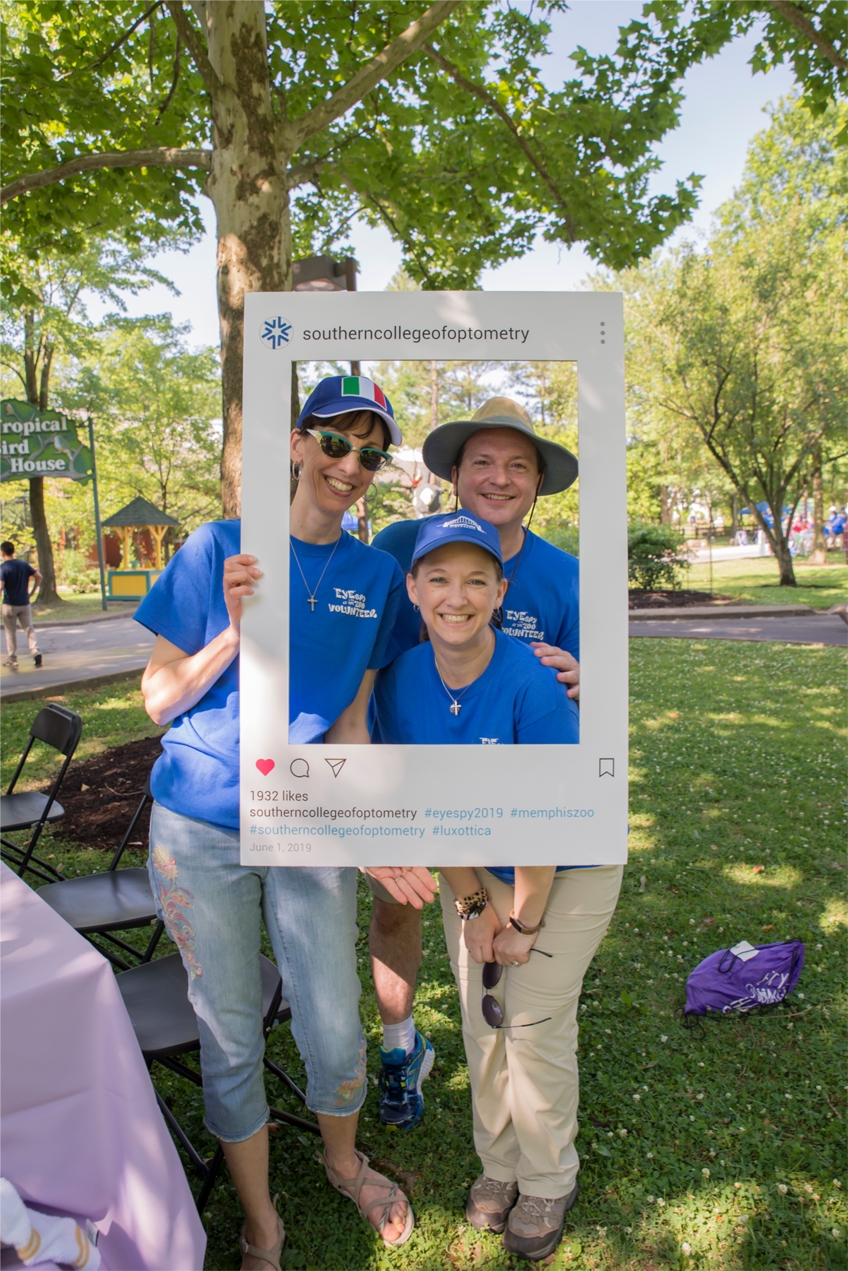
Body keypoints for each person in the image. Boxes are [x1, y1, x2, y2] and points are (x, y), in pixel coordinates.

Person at [134, 376, 435, 1270]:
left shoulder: (376, 575)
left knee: (333, 1024)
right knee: (228, 1027)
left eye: (370, 453)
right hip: (199, 826)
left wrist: (371, 827)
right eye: (337, 443)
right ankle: (261, 1219)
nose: (351, 465)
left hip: (307, 817)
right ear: (299, 443)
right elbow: (156, 698)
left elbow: (350, 721)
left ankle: (343, 1162)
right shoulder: (217, 547)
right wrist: (230, 629)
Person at [375, 511, 618, 1261]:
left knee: (532, 1021)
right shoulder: (401, 682)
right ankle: (499, 1165)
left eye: (476, 579)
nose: (458, 595)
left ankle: (548, 1175)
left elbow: (546, 819)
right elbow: (427, 802)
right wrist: (474, 903)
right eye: (439, 578)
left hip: (565, 864)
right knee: (483, 1019)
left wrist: (523, 922)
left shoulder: (529, 679)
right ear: (413, 588)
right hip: (478, 860)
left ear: (500, 588)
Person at [365, 397, 582, 1131]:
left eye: (517, 464)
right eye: (481, 461)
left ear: (539, 480)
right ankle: (401, 1047)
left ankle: (529, 1064)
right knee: (399, 896)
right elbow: (356, 640)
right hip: (413, 770)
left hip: (518, 816)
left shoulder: (561, 576)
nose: (498, 478)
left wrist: (589, 678)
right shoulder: (398, 546)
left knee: (512, 960)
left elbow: (594, 712)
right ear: (455, 473)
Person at [1, 541, 42, 670]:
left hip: (9, 604)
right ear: (13, 552)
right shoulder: (24, 565)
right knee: (29, 628)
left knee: (10, 632)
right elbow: (38, 576)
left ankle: (12, 658)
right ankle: (35, 651)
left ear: (2, 553)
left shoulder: (3, 568)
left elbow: (1, 587)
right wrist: (32, 592)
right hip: (24, 602)